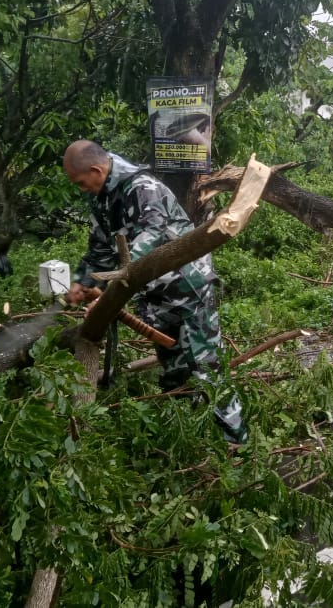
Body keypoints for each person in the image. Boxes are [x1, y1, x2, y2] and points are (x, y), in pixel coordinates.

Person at [63, 140, 246, 443]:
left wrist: (108, 295)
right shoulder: (101, 199)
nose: (82, 189)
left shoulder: (142, 187)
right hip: (156, 295)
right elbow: (100, 247)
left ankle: (236, 446)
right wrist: (83, 281)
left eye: (82, 182)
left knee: (206, 369)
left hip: (188, 291)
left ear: (96, 170)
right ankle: (187, 442)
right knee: (173, 371)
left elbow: (147, 241)